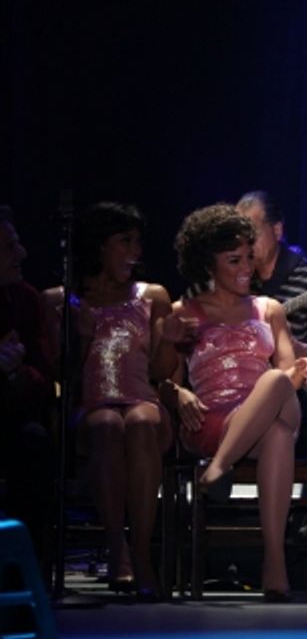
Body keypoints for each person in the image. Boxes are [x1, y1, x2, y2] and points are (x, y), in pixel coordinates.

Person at [158, 204, 307, 601]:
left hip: (273, 405)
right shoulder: (185, 313)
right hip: (211, 421)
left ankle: (218, 470)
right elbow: (159, 380)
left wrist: (302, 368)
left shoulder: (270, 309)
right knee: (279, 436)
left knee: (278, 381)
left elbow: (285, 374)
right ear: (208, 265)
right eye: (234, 260)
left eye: (250, 256)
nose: (247, 266)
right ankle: (274, 564)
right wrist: (178, 391)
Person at [43, 202, 174, 599]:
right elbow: (58, 373)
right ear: (100, 247)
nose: (135, 251)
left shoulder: (152, 296)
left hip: (143, 402)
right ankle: (117, 549)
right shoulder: (59, 300)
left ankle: (141, 552)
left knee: (140, 421)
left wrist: (172, 338)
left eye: (137, 241)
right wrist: (79, 335)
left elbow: (162, 370)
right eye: (125, 242)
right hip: (91, 409)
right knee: (106, 424)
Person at [0, 209, 55, 579]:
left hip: (11, 415)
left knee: (34, 441)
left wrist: (15, 372)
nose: (22, 254)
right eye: (8, 247)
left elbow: (44, 375)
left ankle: (26, 573)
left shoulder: (24, 299)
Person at [234, 191, 307, 370]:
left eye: (252, 233)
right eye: (239, 236)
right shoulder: (234, 276)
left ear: (277, 230)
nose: (246, 243)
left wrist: (295, 346)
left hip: (287, 387)